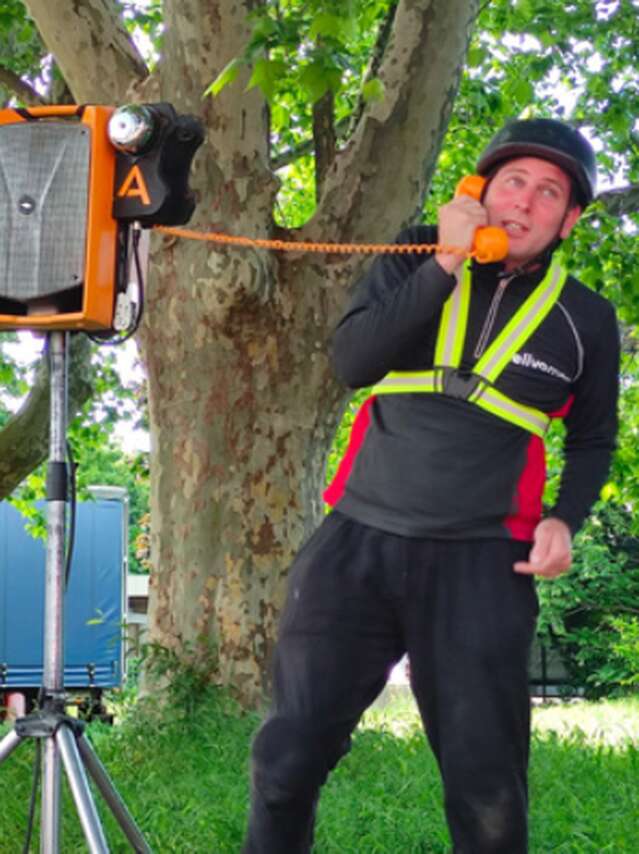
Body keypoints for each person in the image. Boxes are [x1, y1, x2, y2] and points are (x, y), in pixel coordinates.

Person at [242, 119, 620, 853]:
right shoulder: (412, 254)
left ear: (568, 219)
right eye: (513, 180)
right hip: (354, 549)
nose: (526, 201)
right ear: (478, 190)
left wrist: (564, 520)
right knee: (285, 761)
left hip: (483, 563)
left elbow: (594, 438)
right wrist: (442, 262)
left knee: (487, 792)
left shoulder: (585, 319)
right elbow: (352, 361)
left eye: (549, 192)